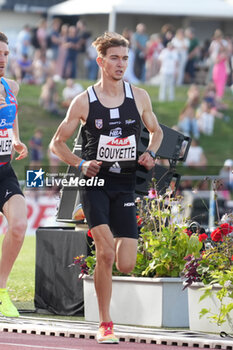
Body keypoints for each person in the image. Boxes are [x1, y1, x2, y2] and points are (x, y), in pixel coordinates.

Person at [50, 32, 163, 344]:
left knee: (126, 263)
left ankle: (103, 238)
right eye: (114, 57)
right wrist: (80, 163)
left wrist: (150, 153)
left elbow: (156, 132)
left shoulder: (139, 96)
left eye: (125, 58)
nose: (121, 64)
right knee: (105, 252)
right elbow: (56, 143)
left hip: (125, 186)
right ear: (100, 61)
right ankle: (105, 323)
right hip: (94, 184)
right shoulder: (83, 101)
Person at [0, 32, 28, 317]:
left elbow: (13, 112)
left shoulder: (11, 87)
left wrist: (16, 138)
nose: (2, 59)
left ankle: (1, 291)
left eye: (6, 53)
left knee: (18, 226)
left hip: (4, 170)